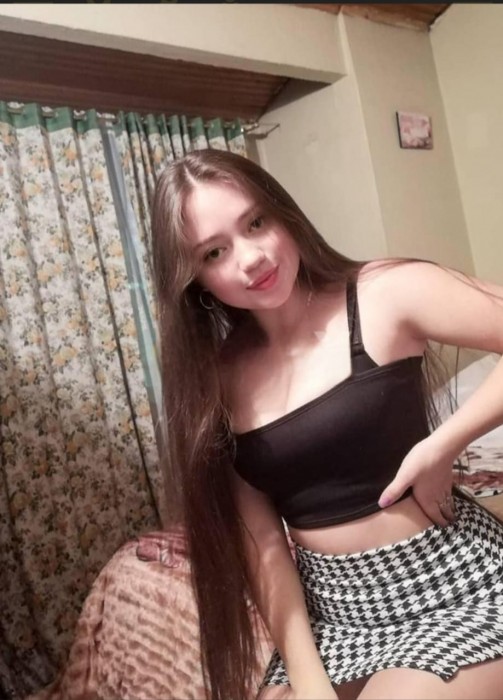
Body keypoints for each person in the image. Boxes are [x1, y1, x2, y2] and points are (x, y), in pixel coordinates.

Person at [150, 149, 503, 700]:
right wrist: (307, 677)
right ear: (194, 279)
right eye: (215, 251)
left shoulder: (384, 292)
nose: (251, 258)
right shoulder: (219, 381)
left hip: (451, 586)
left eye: (256, 223)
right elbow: (263, 543)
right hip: (334, 614)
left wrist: (444, 443)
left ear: (283, 213)